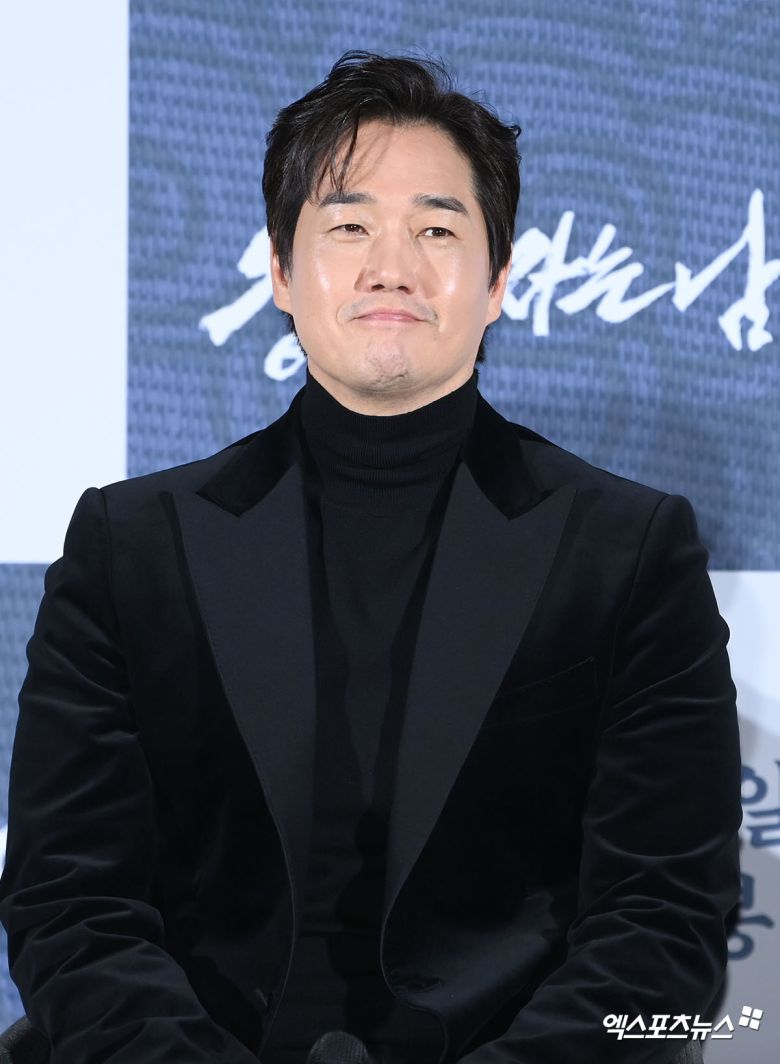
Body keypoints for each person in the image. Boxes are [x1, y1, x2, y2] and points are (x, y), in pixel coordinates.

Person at [0, 51, 741, 1064]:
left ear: (499, 281)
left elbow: (666, 921)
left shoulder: (629, 550)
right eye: (349, 226)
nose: (392, 265)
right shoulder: (132, 545)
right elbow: (69, 899)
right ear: (280, 270)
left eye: (437, 229)